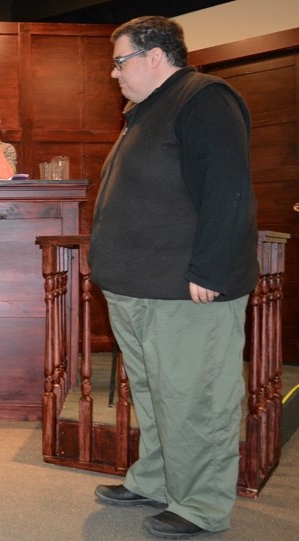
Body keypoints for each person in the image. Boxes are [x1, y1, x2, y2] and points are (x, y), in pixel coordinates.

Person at [88, 16, 258, 539]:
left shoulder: (203, 98)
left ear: (155, 56)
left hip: (184, 289)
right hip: (137, 286)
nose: (114, 74)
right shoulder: (143, 113)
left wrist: (212, 268)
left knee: (197, 398)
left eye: (120, 61)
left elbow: (227, 188)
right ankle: (158, 480)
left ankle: (201, 505)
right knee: (157, 393)